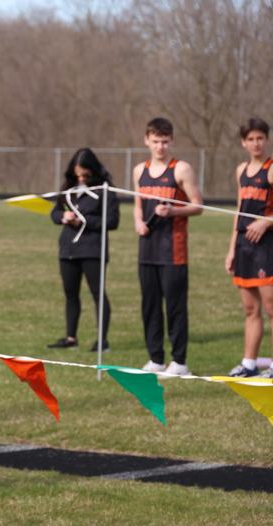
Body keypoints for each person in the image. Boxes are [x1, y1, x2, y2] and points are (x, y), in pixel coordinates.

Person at [132, 117, 203, 375]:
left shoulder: (181, 169)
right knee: (149, 305)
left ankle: (180, 362)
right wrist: (138, 222)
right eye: (155, 142)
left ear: (171, 140)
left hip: (173, 249)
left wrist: (172, 211)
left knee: (175, 306)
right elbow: (138, 206)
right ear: (146, 141)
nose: (160, 147)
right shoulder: (140, 170)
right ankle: (155, 358)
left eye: (164, 141)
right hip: (147, 249)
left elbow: (198, 205)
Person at [48, 148, 120, 352]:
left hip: (92, 249)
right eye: (78, 174)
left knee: (97, 293)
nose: (81, 178)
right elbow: (54, 213)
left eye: (85, 174)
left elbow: (113, 221)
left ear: (93, 171)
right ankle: (71, 337)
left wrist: (85, 221)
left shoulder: (105, 190)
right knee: (71, 294)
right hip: (68, 249)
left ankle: (102, 341)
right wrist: (63, 217)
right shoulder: (68, 188)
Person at [225, 118, 273, 377]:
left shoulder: (271, 169)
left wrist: (265, 223)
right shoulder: (241, 170)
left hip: (267, 246)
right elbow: (239, 210)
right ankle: (249, 363)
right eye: (251, 139)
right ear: (243, 142)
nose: (256, 143)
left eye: (260, 138)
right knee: (250, 309)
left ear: (266, 140)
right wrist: (232, 248)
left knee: (271, 307)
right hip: (244, 246)